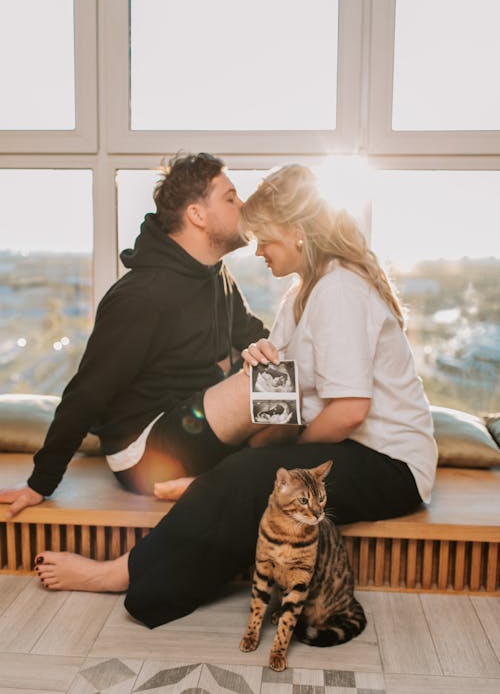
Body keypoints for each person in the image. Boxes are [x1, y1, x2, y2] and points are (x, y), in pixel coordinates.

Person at [27, 164, 437, 632]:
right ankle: (206, 489)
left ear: (298, 233)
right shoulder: (301, 295)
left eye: (265, 237)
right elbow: (285, 393)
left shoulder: (339, 286)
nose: (257, 248)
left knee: (254, 475)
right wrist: (259, 362)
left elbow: (348, 411)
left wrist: (280, 459)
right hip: (347, 448)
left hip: (391, 464)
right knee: (257, 443)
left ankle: (120, 572)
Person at [0, 152, 269, 516]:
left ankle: (217, 482)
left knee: (283, 389)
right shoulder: (142, 296)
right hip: (142, 450)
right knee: (266, 386)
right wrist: (39, 484)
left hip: (190, 422)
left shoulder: (215, 275)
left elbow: (256, 336)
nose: (244, 205)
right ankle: (217, 481)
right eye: (231, 197)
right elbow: (87, 393)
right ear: (197, 215)